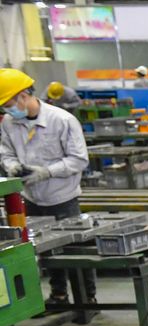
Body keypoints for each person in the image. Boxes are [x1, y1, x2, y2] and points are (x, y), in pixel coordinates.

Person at [0, 69, 93, 306]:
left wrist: (46, 172)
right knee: (44, 251)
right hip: (31, 198)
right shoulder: (9, 123)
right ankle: (59, 296)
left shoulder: (62, 120)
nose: (7, 111)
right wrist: (12, 166)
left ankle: (87, 301)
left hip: (63, 198)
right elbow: (6, 152)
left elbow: (79, 159)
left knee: (74, 252)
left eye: (8, 104)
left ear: (23, 96)